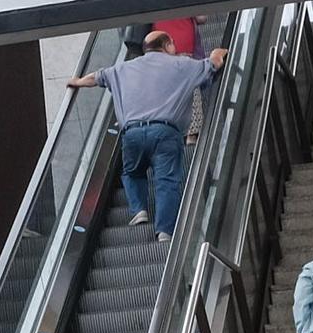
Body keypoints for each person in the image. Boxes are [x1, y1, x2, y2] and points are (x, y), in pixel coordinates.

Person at [67, 29, 229, 243]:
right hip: (166, 132)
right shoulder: (181, 64)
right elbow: (213, 64)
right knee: (167, 181)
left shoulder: (123, 68)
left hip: (131, 133)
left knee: (132, 173)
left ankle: (139, 210)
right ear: (168, 45)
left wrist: (77, 81)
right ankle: (164, 232)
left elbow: (96, 77)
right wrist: (219, 51)